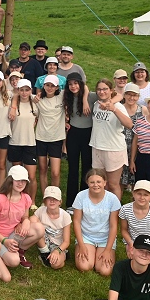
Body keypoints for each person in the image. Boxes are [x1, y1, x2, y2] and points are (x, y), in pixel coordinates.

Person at [0, 166, 46, 270]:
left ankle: (20, 251)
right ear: (10, 180)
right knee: (14, 261)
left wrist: (25, 221)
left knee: (39, 229)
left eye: (23, 181)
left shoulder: (26, 198)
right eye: (17, 180)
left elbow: (25, 216)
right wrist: (4, 241)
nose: (20, 183)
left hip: (14, 233)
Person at [89, 79, 133, 201]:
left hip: (113, 149)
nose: (102, 92)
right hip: (97, 147)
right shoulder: (96, 104)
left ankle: (115, 209)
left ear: (111, 90)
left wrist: (114, 109)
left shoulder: (118, 106)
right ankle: (103, 207)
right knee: (102, 183)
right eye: (99, 89)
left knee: (113, 184)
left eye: (105, 89)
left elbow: (129, 124)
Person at [73, 168, 121, 276]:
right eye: (92, 182)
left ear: (105, 182)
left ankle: (101, 252)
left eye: (99, 182)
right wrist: (81, 245)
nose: (95, 185)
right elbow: (76, 221)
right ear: (87, 183)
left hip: (105, 238)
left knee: (105, 271)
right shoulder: (81, 196)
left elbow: (113, 226)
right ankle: (90, 251)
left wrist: (107, 250)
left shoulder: (112, 199)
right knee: (84, 266)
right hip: (86, 236)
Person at [33, 74, 66, 204]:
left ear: (57, 87)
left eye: (53, 86)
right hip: (41, 137)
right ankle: (45, 198)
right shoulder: (38, 99)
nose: (50, 88)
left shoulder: (62, 96)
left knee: (55, 172)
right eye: (47, 85)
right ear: (44, 86)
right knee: (42, 169)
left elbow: (82, 87)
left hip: (56, 139)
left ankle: (55, 197)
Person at [64, 73, 95, 208]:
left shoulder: (91, 96)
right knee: (73, 168)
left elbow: (115, 96)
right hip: (73, 134)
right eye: (70, 84)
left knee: (87, 167)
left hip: (88, 134)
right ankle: (71, 202)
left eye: (76, 83)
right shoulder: (67, 97)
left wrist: (85, 99)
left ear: (81, 84)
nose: (73, 86)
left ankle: (84, 199)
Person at [120, 180, 150, 264]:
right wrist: (131, 244)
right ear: (133, 194)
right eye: (139, 194)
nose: (142, 197)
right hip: (133, 243)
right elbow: (124, 230)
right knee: (137, 267)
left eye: (146, 195)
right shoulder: (125, 209)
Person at [8, 79, 38, 200]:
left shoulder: (35, 102)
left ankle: (32, 201)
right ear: (18, 90)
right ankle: (19, 199)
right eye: (22, 90)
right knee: (17, 176)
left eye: (27, 90)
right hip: (15, 142)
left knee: (31, 176)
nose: (24, 93)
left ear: (31, 90)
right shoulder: (12, 102)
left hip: (30, 143)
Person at [32, 186, 71, 270]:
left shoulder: (65, 216)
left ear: (60, 202)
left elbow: (66, 241)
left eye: (55, 199)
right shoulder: (41, 210)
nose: (52, 201)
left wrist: (58, 250)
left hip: (58, 245)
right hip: (44, 241)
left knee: (55, 264)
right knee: (35, 225)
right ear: (45, 201)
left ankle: (62, 255)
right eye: (49, 198)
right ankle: (44, 252)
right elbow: (31, 220)